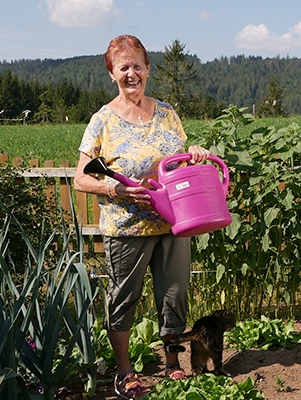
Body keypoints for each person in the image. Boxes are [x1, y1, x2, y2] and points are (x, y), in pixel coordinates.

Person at [74, 34, 211, 399]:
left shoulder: (167, 114)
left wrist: (193, 154)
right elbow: (81, 178)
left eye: (137, 65)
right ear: (111, 74)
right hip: (126, 227)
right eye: (123, 67)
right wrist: (116, 189)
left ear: (148, 69)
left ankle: (173, 364)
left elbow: (177, 164)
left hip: (174, 222)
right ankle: (125, 372)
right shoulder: (102, 120)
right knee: (123, 299)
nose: (131, 73)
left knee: (174, 296)